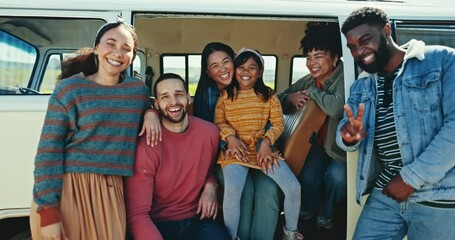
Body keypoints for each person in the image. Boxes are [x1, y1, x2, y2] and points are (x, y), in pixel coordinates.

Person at [337, 6, 455, 239]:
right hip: (387, 190)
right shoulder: (362, 84)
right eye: (352, 47)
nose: (360, 51)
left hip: (437, 192)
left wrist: (410, 179)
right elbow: (345, 134)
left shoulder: (441, 60)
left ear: (387, 30)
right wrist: (348, 136)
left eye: (365, 40)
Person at [148, 42, 282, 239]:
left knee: (269, 189)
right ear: (208, 72)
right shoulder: (208, 95)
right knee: (245, 189)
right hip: (224, 157)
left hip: (256, 153)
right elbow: (205, 139)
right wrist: (229, 142)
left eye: (226, 62)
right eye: (214, 66)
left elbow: (270, 107)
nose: (222, 69)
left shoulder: (251, 89)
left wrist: (267, 142)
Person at [30, 20, 150, 239]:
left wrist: (151, 113)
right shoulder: (70, 89)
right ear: (96, 47)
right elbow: (49, 151)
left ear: (133, 56)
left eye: (126, 48)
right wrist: (48, 212)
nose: (117, 53)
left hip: (113, 190)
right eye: (110, 44)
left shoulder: (137, 91)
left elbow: (157, 106)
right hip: (69, 189)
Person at [125, 73, 230, 240]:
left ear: (189, 98)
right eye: (165, 97)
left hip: (198, 219)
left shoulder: (209, 133)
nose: (173, 102)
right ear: (156, 104)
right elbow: (137, 214)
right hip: (158, 224)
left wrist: (211, 186)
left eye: (179, 94)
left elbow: (209, 168)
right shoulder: (146, 146)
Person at [215, 48, 303, 240]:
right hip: (237, 151)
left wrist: (266, 142)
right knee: (233, 191)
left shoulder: (269, 95)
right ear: (235, 70)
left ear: (260, 72)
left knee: (293, 188)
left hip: (262, 149)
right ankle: (231, 237)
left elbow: (278, 123)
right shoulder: (225, 95)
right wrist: (231, 138)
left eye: (252, 67)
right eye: (241, 67)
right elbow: (219, 122)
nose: (246, 72)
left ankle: (290, 232)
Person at [277, 22, 346, 229]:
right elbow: (277, 99)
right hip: (317, 145)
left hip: (340, 148)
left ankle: (328, 212)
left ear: (334, 58)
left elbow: (336, 108)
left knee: (337, 178)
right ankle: (308, 209)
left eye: (318, 56)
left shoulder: (345, 77)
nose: (311, 63)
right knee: (307, 176)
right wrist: (290, 97)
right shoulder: (308, 80)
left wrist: (314, 93)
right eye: (308, 57)